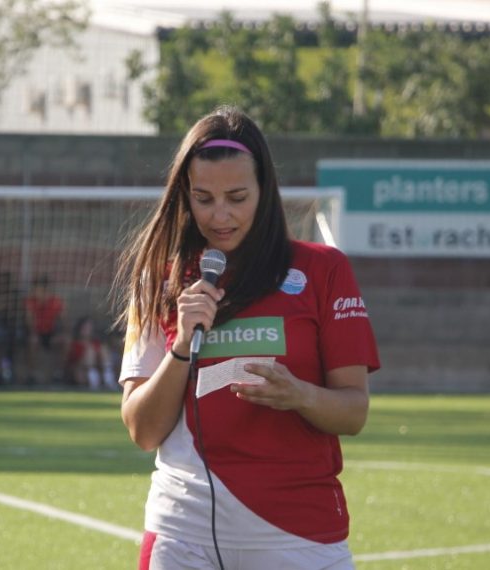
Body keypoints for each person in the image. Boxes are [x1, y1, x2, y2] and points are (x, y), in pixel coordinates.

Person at [113, 106, 380, 570]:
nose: (220, 215)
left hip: (300, 534)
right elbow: (142, 430)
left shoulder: (323, 270)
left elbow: (353, 412)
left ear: (264, 190)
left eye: (237, 197)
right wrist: (181, 349)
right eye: (203, 198)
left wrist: (299, 395)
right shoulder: (159, 277)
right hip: (183, 535)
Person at [24, 274, 65, 384]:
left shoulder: (55, 302)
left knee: (65, 341)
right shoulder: (30, 302)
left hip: (51, 333)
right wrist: (33, 333)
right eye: (37, 289)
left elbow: (62, 321)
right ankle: (32, 374)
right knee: (32, 341)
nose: (40, 292)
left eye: (43, 289)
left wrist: (58, 333)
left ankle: (59, 373)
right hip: (37, 333)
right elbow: (29, 322)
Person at [65, 316, 112, 390]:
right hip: (79, 372)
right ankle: (93, 379)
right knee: (89, 352)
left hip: (98, 370)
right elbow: (70, 361)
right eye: (85, 328)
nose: (87, 330)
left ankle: (108, 377)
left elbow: (101, 358)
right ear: (79, 328)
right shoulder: (74, 344)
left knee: (103, 349)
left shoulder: (96, 343)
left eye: (89, 328)